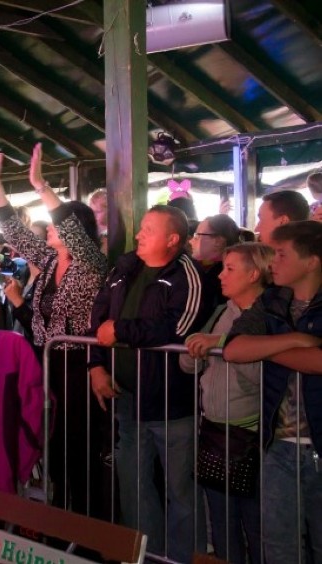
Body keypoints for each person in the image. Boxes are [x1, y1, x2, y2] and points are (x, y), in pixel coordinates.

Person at [0, 142, 108, 515]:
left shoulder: (92, 264)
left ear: (74, 229)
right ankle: (61, 524)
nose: (49, 228)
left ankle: (88, 533)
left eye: (56, 224)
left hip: (81, 368)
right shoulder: (48, 262)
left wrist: (41, 186)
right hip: (47, 365)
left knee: (79, 451)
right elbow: (14, 230)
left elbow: (73, 234)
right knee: (55, 453)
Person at [88, 204, 211, 562]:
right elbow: (99, 318)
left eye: (148, 230)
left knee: (180, 491)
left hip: (172, 404)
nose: (138, 235)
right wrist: (96, 365)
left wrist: (122, 331)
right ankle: (144, 555)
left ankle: (184, 557)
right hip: (126, 397)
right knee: (134, 486)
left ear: (172, 239)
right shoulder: (125, 267)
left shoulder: (187, 275)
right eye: (140, 228)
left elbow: (180, 327)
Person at [223, 221, 322, 564]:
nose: (273, 262)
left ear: (311, 262)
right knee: (279, 546)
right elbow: (234, 348)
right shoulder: (273, 300)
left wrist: (265, 349)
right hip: (278, 445)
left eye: (281, 254)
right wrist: (295, 341)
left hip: (317, 444)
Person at [181, 243, 272, 564]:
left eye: (230, 269)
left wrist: (226, 348)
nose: (221, 275)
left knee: (257, 524)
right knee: (220, 522)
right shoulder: (222, 312)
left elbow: (261, 378)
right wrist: (194, 351)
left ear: (254, 274)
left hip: (251, 436)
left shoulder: (267, 318)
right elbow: (189, 366)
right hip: (215, 430)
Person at [190, 214, 240, 303]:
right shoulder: (202, 268)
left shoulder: (222, 278)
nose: (190, 241)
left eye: (197, 236)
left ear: (218, 241)